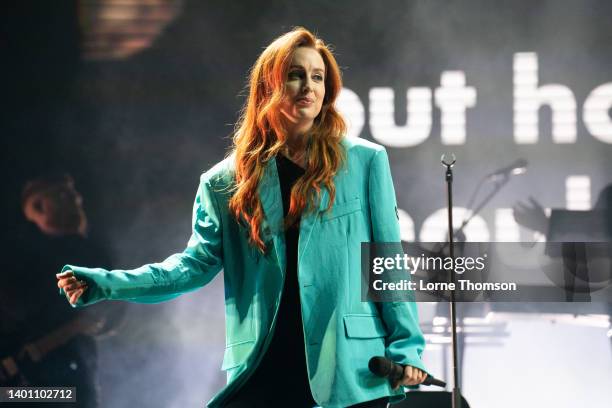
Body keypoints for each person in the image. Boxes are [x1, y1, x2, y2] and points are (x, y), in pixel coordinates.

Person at [56, 27, 428, 408]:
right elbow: (188, 269)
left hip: (350, 369)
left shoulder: (365, 161)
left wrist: (407, 349)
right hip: (264, 367)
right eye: (295, 75)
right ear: (269, 86)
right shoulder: (223, 182)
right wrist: (106, 283)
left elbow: (388, 265)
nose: (308, 87)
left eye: (317, 77)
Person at [1, 174, 113, 407]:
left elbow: (111, 311)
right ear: (38, 207)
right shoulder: (21, 256)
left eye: (73, 194)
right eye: (62, 194)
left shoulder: (89, 251)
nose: (76, 199)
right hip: (31, 385)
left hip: (68, 380)